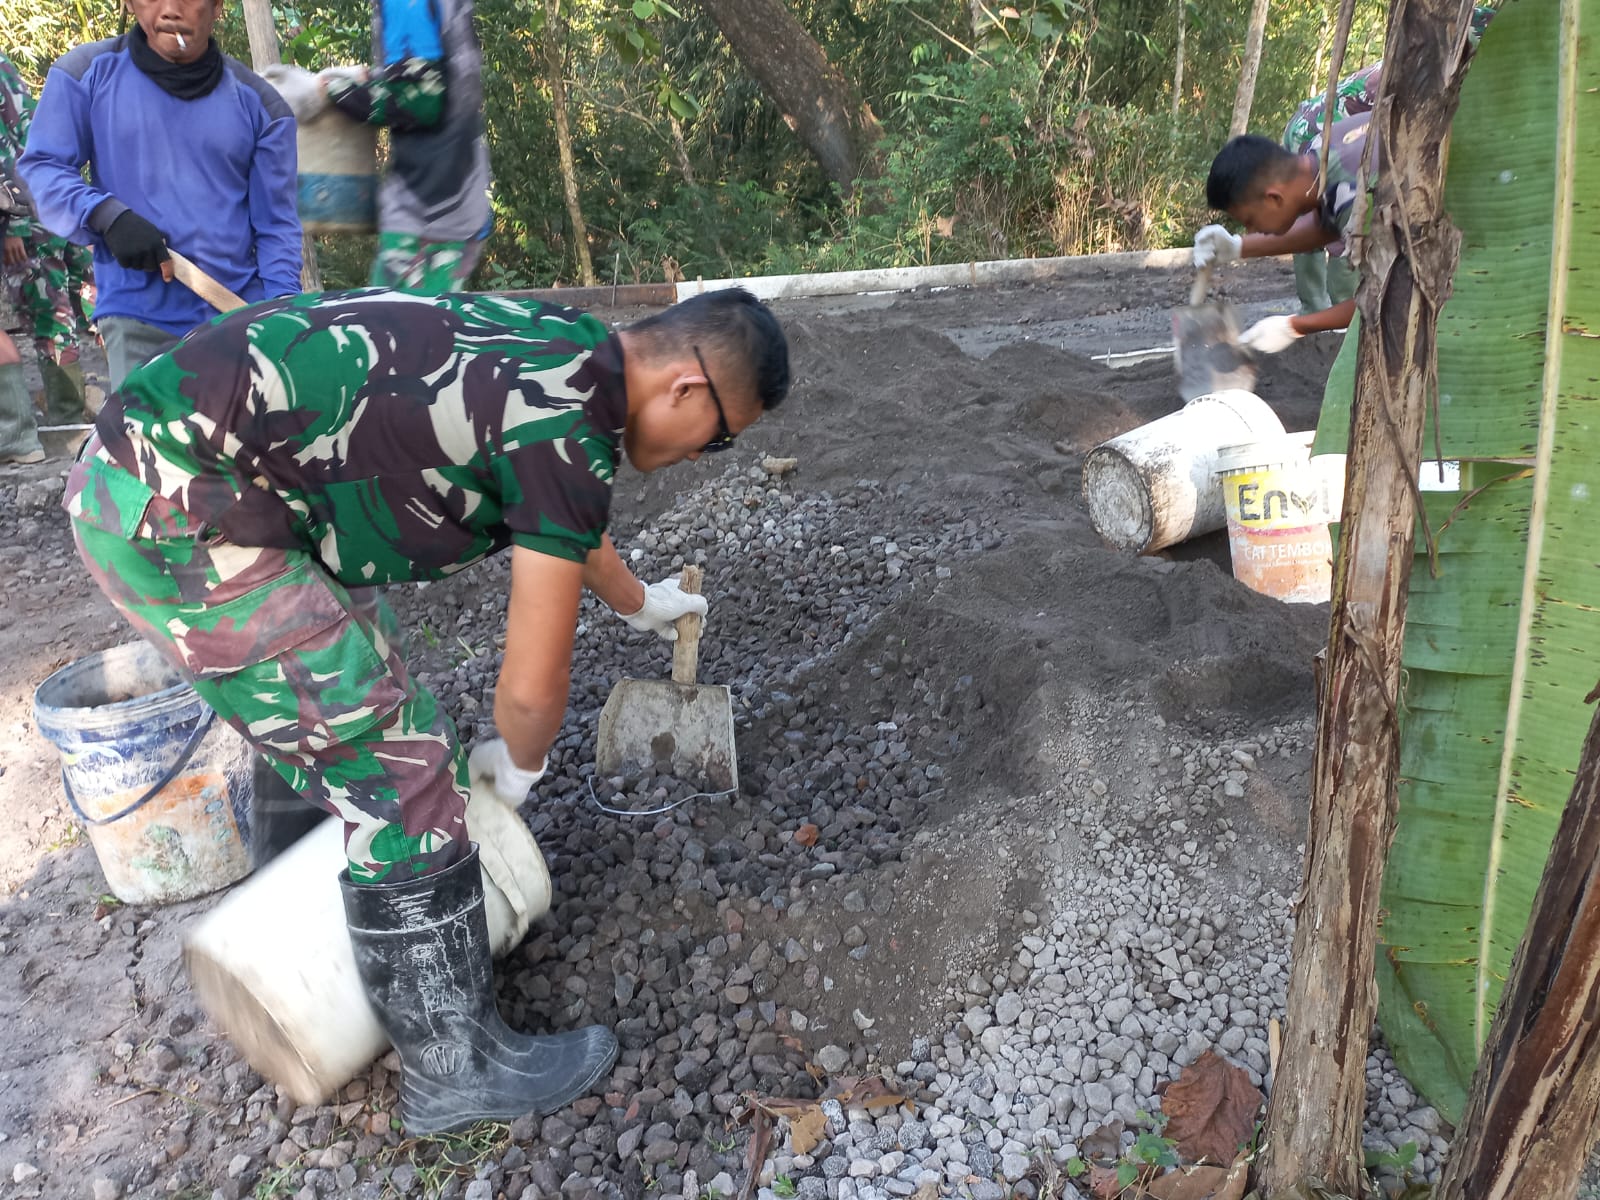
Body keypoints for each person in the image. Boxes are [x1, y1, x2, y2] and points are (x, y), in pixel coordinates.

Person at [64, 285, 791, 1133]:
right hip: (178, 509)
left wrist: (637, 604)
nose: (707, 453)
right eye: (722, 438)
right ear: (687, 390)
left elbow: (569, 520)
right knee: (400, 767)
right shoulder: (570, 425)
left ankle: (306, 914)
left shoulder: (569, 352)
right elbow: (531, 680)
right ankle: (455, 1068)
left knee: (345, 681)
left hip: (193, 476)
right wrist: (516, 770)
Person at [18, 0, 302, 388]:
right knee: (141, 447)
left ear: (218, 6)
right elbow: (42, 168)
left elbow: (277, 227)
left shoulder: (263, 108)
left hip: (238, 321)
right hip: (138, 323)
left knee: (244, 448)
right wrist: (107, 216)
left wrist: (282, 318)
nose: (170, 9)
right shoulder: (86, 74)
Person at [316, 0, 492, 292]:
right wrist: (373, 78)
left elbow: (422, 98)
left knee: (395, 325)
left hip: (430, 210)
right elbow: (437, 75)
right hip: (457, 191)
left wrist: (341, 93)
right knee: (424, 324)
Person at [1191, 111, 1373, 357]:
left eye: (1250, 221)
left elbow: (1382, 299)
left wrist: (1294, 327)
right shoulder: (1320, 151)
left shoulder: (1356, 194)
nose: (1252, 230)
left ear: (1274, 198)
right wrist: (1238, 247)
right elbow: (1326, 225)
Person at [1, 51, 93, 439]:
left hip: (27, 212)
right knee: (90, 305)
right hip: (58, 202)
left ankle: (68, 424)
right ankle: (108, 413)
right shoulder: (5, 66)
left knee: (48, 316)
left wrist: (14, 224)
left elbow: (14, 148)